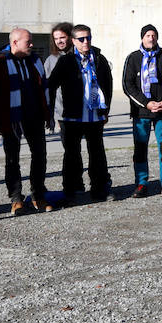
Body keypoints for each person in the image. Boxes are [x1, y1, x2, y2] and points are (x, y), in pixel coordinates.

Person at [0, 28, 54, 213]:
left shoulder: (36, 61)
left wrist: (48, 115)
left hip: (35, 117)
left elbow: (45, 89)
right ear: (14, 42)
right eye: (27, 41)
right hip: (10, 120)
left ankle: (38, 195)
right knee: (12, 159)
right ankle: (16, 198)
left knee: (39, 156)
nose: (32, 45)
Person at [48, 23, 114, 202]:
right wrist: (49, 113)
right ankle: (73, 189)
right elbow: (51, 85)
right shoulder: (66, 60)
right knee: (71, 154)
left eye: (89, 38)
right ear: (74, 41)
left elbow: (107, 84)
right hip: (72, 116)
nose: (86, 42)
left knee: (97, 152)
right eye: (82, 39)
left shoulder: (99, 58)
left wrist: (106, 109)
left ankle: (100, 188)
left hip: (95, 115)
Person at [122, 24, 162, 197]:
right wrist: (146, 103)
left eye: (154, 35)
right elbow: (128, 85)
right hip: (142, 112)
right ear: (142, 38)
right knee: (140, 149)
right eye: (148, 35)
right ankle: (141, 184)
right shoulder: (133, 58)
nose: (151, 38)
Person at [43, 22, 73, 131]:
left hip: (84, 111)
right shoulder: (51, 60)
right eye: (56, 38)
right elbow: (48, 89)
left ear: (71, 37)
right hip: (62, 113)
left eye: (62, 37)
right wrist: (49, 115)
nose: (59, 41)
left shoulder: (81, 56)